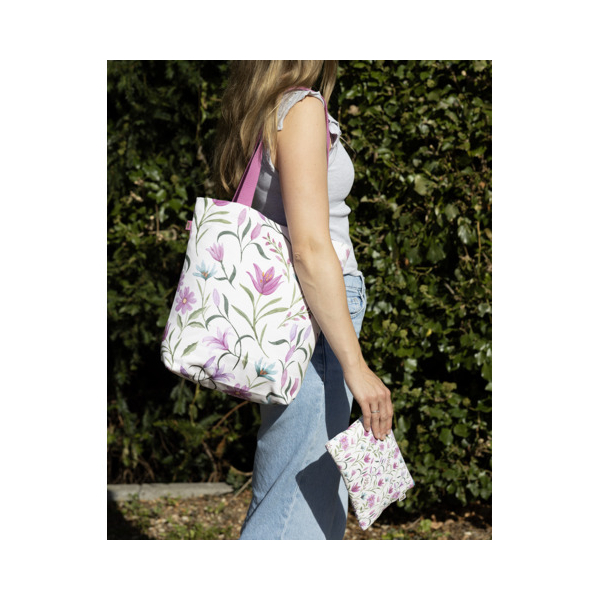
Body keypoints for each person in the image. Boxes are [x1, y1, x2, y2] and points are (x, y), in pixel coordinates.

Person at [213, 60, 393, 540]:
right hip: (315, 315)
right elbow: (310, 249)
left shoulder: (263, 108)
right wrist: (356, 367)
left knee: (307, 492)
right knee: (295, 503)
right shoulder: (302, 107)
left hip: (297, 314)